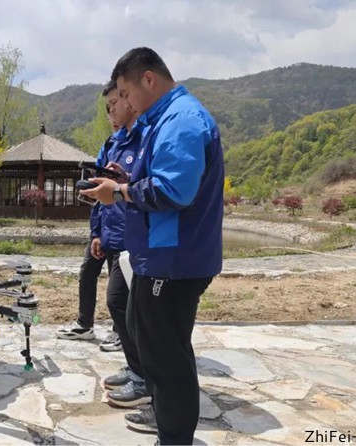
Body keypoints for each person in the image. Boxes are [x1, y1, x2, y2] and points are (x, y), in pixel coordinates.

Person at [81, 47, 224, 445]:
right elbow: (161, 179)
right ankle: (167, 426)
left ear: (148, 80)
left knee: (166, 356)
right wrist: (127, 179)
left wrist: (121, 191)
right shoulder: (162, 120)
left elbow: (175, 191)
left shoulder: (181, 120)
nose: (124, 103)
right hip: (159, 255)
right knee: (151, 341)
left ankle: (175, 438)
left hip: (176, 259)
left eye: (125, 94)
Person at [56, 82, 123, 353]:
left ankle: (122, 331)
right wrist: (95, 232)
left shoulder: (143, 144)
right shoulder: (108, 146)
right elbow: (96, 193)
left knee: (118, 292)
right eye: (109, 110)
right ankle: (85, 324)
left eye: (117, 106)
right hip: (105, 225)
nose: (113, 115)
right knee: (87, 272)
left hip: (126, 229)